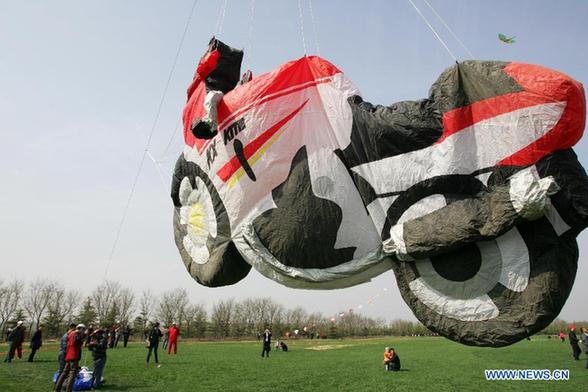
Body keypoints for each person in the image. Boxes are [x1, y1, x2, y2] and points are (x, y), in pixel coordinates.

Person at [54, 323, 86, 392]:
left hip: (68, 355)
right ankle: (68, 390)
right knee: (72, 374)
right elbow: (77, 341)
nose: (83, 331)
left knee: (64, 373)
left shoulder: (70, 334)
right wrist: (82, 337)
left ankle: (57, 388)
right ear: (81, 329)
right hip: (74, 356)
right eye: (83, 329)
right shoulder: (76, 334)